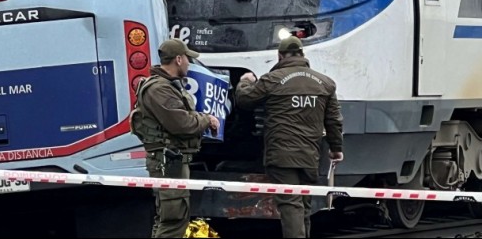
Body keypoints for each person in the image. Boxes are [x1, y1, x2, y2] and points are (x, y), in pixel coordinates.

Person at [235, 36, 344, 238]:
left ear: (280, 55)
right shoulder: (325, 83)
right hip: (310, 155)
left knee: (291, 204)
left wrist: (244, 82)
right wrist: (336, 148)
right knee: (303, 203)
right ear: (303, 54)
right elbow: (334, 120)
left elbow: (245, 100)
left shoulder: (272, 80)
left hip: (281, 156)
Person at [130, 38, 220, 238]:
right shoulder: (159, 89)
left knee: (168, 219)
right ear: (178, 59)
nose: (189, 63)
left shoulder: (166, 86)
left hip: (171, 161)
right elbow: (182, 124)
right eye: (188, 58)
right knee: (174, 221)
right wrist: (207, 120)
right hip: (168, 163)